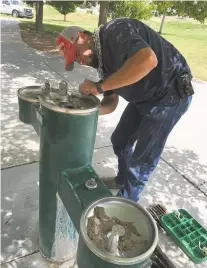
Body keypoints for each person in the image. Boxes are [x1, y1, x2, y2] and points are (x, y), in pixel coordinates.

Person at [57, 18, 194, 202]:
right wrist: (84, 112)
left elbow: (148, 59)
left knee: (141, 162)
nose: (80, 61)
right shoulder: (102, 65)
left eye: (77, 53)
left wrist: (99, 87)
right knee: (120, 140)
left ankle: (125, 205)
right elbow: (111, 102)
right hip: (145, 97)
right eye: (75, 60)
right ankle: (122, 180)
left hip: (170, 95)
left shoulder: (115, 31)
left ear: (82, 37)